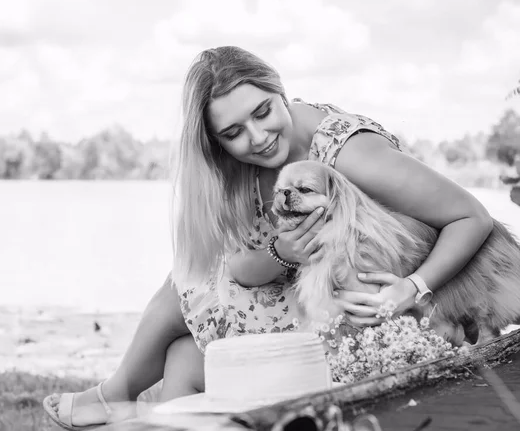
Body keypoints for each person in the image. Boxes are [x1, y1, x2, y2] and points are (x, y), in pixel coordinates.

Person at [44, 46, 493, 428]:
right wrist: (283, 251)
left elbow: (472, 217)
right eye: (234, 133)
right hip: (308, 294)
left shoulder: (346, 153)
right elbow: (242, 266)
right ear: (216, 141)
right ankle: (119, 396)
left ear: (280, 91)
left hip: (385, 308)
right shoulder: (240, 170)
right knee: (184, 333)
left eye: (263, 112)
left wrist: (410, 288)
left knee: (185, 321)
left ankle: (114, 394)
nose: (257, 139)